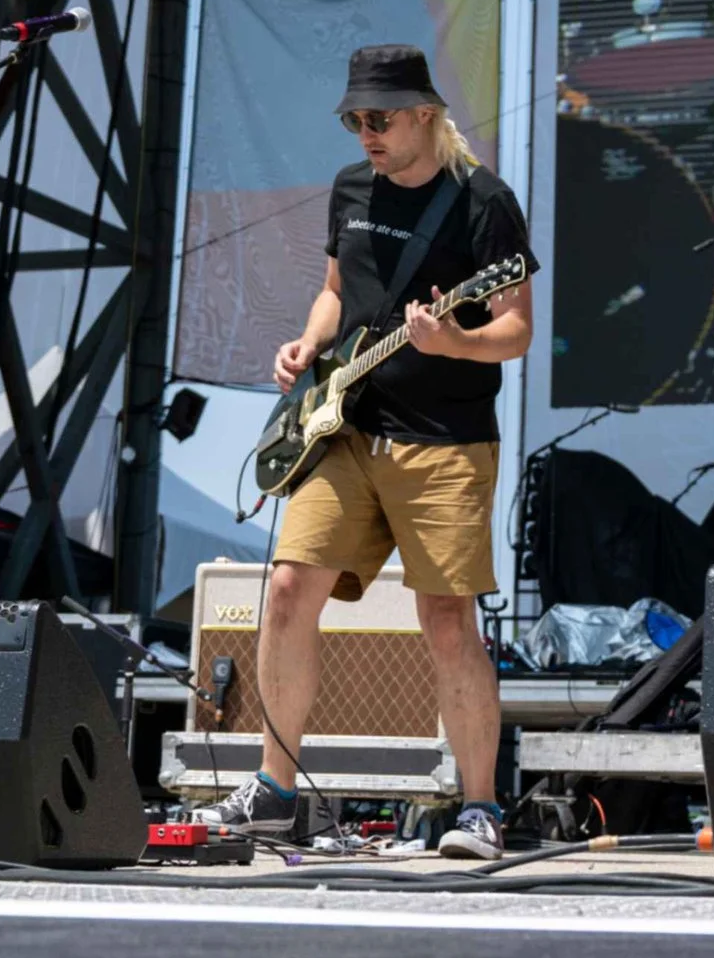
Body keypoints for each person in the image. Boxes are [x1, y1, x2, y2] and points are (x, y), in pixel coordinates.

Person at [203, 46, 534, 857]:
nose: (365, 133)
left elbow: (517, 329)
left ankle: (480, 809)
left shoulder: (485, 202)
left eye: (379, 118)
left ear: (426, 112)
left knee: (447, 621)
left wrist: (454, 342)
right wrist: (306, 344)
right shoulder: (352, 188)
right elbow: (333, 292)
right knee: (287, 591)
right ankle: (275, 791)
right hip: (344, 427)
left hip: (444, 444)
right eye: (354, 119)